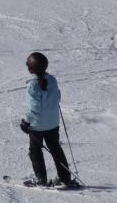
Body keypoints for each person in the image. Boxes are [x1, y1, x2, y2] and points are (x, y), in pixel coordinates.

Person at [20, 52, 78, 187]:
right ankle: (64, 178)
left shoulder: (32, 85)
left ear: (30, 69)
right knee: (55, 148)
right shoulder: (52, 80)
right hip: (52, 123)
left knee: (35, 150)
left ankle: (41, 179)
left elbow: (35, 107)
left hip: (37, 125)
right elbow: (57, 97)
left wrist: (26, 121)